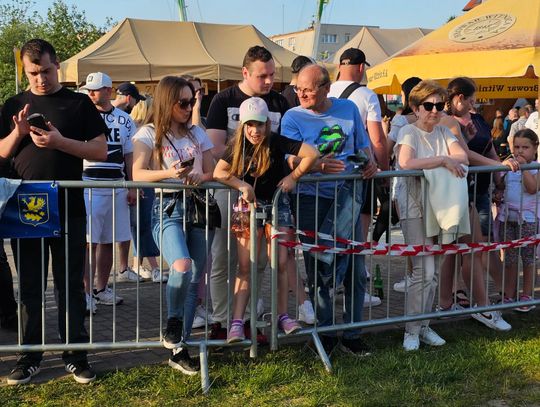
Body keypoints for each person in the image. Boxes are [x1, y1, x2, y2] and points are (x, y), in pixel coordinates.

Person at [0, 38, 108, 384]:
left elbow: (100, 150)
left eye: (45, 71)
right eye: (33, 73)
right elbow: (1, 153)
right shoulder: (13, 104)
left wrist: (60, 142)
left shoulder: (78, 103)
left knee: (70, 284)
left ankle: (75, 354)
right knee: (30, 285)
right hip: (25, 209)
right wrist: (17, 133)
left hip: (68, 206)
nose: (40, 79)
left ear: (57, 64)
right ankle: (29, 355)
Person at [281, 64, 377, 355]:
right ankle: (324, 334)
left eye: (308, 90)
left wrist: (370, 162)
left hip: (348, 196)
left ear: (325, 88)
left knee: (355, 269)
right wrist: (317, 166)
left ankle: (352, 334)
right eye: (298, 89)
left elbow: (362, 145)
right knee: (320, 269)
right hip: (310, 199)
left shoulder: (348, 109)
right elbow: (287, 159)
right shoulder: (292, 116)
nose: (301, 95)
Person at [206, 46, 294, 338]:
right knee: (224, 256)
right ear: (245, 72)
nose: (269, 81)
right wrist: (244, 173)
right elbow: (215, 146)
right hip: (229, 185)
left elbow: (286, 146)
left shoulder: (279, 101)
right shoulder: (224, 99)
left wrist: (290, 169)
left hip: (267, 194)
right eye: (262, 76)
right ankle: (222, 320)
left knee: (259, 261)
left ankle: (248, 317)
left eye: (272, 75)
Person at [214, 97, 318, 342]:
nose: (255, 130)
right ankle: (237, 322)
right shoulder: (237, 145)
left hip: (277, 205)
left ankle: (282, 315)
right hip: (247, 208)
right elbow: (219, 172)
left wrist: (293, 177)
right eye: (250, 125)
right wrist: (242, 185)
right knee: (245, 265)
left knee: (280, 262)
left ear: (267, 124)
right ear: (242, 125)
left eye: (259, 124)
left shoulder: (277, 141)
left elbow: (312, 153)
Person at [132, 76, 215, 375]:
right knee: (182, 265)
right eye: (183, 103)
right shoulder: (148, 133)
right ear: (167, 102)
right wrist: (169, 174)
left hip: (199, 207)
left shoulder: (197, 133)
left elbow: (213, 170)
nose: (189, 108)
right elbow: (138, 173)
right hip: (166, 208)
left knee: (194, 279)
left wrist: (200, 175)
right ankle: (174, 323)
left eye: (192, 102)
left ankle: (180, 348)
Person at [394, 80, 470, 351]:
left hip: (440, 205)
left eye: (439, 105)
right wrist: (442, 160)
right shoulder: (408, 131)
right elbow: (406, 162)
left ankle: (423, 326)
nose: (435, 110)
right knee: (423, 270)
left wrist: (447, 158)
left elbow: (462, 157)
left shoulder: (443, 132)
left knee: (433, 270)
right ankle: (412, 330)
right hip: (414, 205)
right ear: (416, 108)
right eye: (429, 105)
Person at [438, 77, 516, 331]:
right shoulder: (449, 121)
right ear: (459, 98)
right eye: (471, 100)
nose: (474, 105)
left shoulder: (456, 121)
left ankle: (447, 303)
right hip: (459, 192)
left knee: (457, 249)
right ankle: (481, 307)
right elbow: (465, 155)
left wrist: (469, 138)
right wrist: (499, 165)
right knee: (472, 248)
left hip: (462, 191)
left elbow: (472, 149)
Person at [328, 48, 389, 307]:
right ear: (362, 67)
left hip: (326, 173)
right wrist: (384, 172)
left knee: (329, 234)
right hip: (359, 173)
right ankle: (354, 290)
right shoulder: (366, 95)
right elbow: (377, 139)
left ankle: (329, 286)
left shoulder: (324, 90)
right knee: (357, 235)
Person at [80, 72, 137, 314]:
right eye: (89, 90)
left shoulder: (125, 119)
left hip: (116, 185)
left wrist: (132, 185)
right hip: (89, 185)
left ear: (108, 90)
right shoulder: (82, 115)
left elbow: (130, 154)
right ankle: (85, 293)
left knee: (108, 240)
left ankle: (101, 288)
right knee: (89, 241)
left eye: (96, 89)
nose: (92, 94)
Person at [497, 129, 539, 312]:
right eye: (516, 147)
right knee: (510, 258)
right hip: (508, 218)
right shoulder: (510, 166)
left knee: (528, 258)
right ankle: (509, 294)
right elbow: (500, 184)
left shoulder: (536, 167)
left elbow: (532, 188)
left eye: (525, 147)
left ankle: (527, 294)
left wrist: (523, 168)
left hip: (528, 219)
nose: (520, 151)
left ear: (535, 148)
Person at [111, 82, 147, 281]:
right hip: (114, 179)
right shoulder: (124, 119)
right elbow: (130, 155)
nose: (135, 105)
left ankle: (123, 269)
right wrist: (133, 184)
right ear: (128, 98)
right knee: (122, 228)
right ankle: (122, 269)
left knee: (125, 227)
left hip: (120, 180)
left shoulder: (125, 119)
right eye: (135, 100)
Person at [129, 96, 164, 283]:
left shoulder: (144, 130)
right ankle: (150, 267)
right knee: (142, 225)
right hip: (142, 182)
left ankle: (140, 264)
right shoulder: (143, 132)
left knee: (142, 225)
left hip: (144, 183)